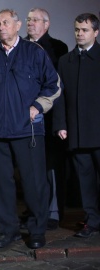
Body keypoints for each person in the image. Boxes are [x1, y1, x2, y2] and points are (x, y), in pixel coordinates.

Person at [0, 9, 61, 249]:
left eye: (5, 23)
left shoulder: (34, 53)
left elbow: (53, 85)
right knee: (0, 186)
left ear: (18, 25)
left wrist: (38, 106)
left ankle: (37, 230)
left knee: (34, 184)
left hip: (27, 130)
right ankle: (7, 231)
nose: (0, 27)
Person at [53, 13, 100, 238]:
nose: (80, 34)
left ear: (96, 32)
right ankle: (92, 221)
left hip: (98, 130)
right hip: (78, 132)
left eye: (85, 30)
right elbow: (59, 96)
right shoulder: (65, 60)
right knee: (85, 181)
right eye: (77, 30)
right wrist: (61, 124)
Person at [23, 7, 69, 231]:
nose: (30, 23)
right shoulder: (20, 46)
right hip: (24, 117)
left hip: (49, 117)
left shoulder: (58, 48)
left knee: (51, 168)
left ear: (46, 24)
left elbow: (58, 86)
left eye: (35, 20)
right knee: (30, 169)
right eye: (28, 20)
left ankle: (52, 211)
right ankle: (34, 208)